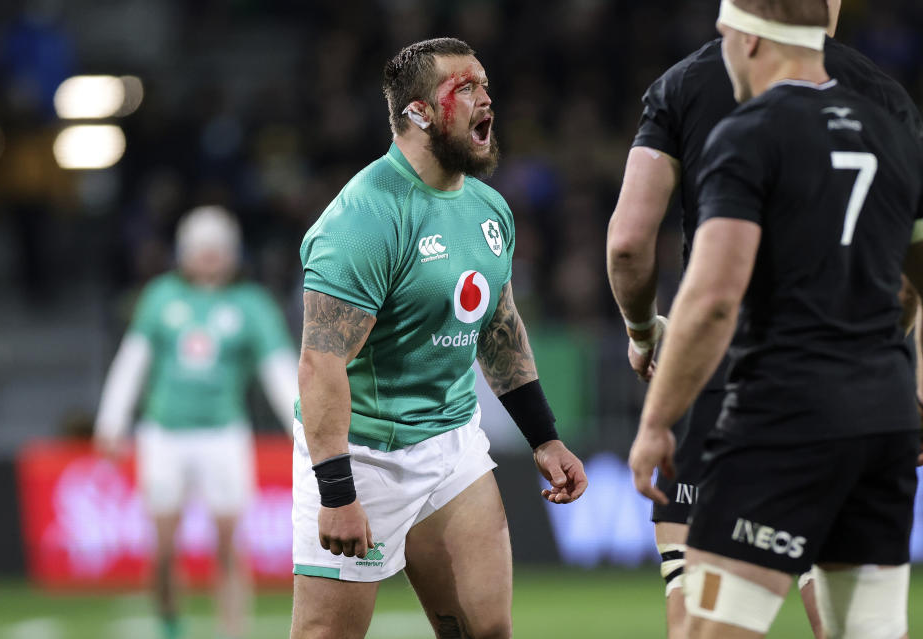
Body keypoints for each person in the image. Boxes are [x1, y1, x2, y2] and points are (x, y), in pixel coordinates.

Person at [606, 0, 923, 635]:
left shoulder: (749, 131)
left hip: (782, 410)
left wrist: (657, 418)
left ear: (747, 42)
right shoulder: (891, 121)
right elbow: (916, 283)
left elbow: (712, 296)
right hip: (884, 418)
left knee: (706, 625)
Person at [291, 37, 587, 639]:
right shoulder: (363, 219)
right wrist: (338, 491)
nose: (487, 101)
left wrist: (544, 438)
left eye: (486, 85)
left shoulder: (488, 210)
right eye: (467, 89)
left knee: (487, 632)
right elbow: (321, 365)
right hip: (364, 454)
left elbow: (499, 329)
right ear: (419, 113)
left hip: (451, 446)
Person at [93, 205, 299, 639]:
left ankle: (233, 630)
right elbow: (133, 362)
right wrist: (111, 421)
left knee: (228, 544)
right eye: (200, 247)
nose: (208, 256)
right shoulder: (161, 297)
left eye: (216, 248)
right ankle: (170, 626)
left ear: (232, 252)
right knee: (164, 548)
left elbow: (279, 372)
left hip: (223, 432)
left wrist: (303, 428)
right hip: (164, 433)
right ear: (183, 251)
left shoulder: (252, 305)